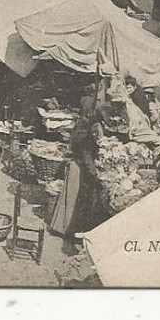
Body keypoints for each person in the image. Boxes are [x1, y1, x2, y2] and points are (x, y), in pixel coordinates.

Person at [50, 98, 105, 239]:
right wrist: (94, 172)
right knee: (75, 201)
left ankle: (62, 227)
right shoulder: (85, 131)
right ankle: (69, 230)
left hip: (77, 165)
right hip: (79, 168)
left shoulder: (82, 125)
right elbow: (86, 154)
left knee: (70, 200)